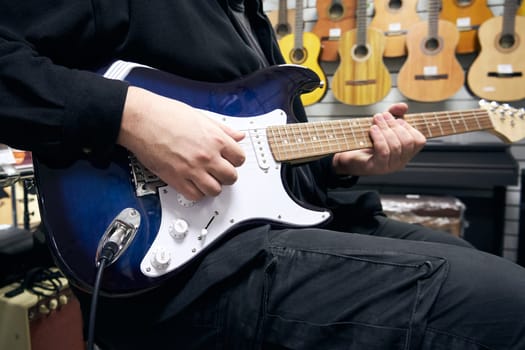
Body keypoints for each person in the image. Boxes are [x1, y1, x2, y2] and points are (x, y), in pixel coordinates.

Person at [1, 1, 524, 349]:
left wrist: (341, 163)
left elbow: (263, 152)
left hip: (269, 235)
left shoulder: (247, 15)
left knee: (474, 263)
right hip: (186, 273)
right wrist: (131, 118)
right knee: (504, 304)